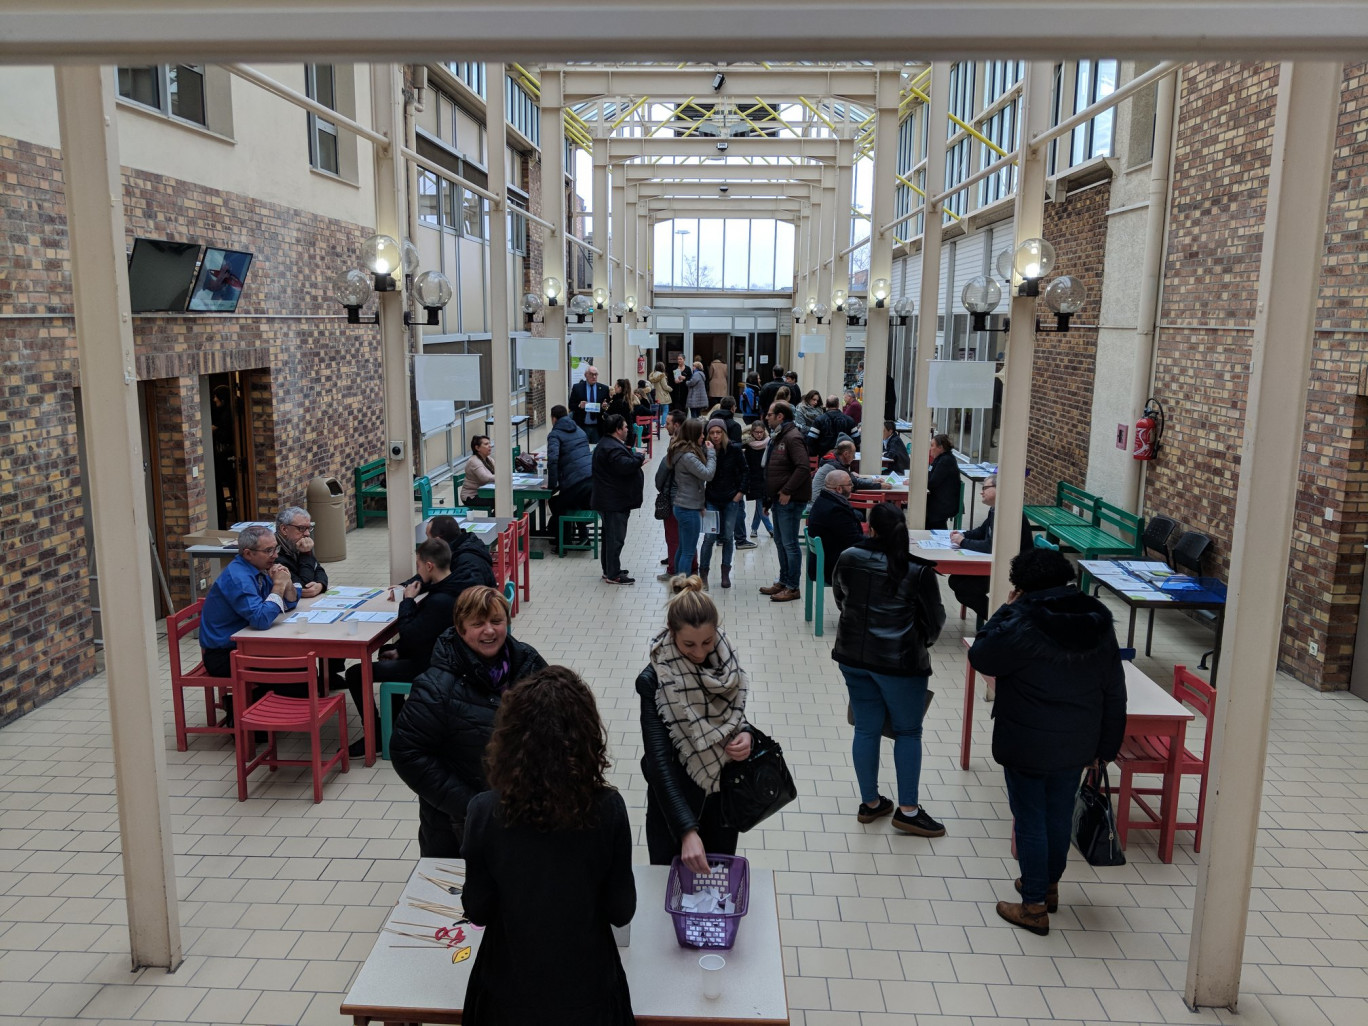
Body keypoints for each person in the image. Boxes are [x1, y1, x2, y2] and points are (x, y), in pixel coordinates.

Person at [461, 665, 636, 1026]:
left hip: (507, 995)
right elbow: (621, 910)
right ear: (587, 739)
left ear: (509, 740)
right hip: (587, 995)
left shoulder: (483, 811)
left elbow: (477, 910)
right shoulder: (607, 809)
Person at [968, 549, 1127, 936]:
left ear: (1021, 586)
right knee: (1057, 815)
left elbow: (982, 657)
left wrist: (1004, 611)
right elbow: (1114, 689)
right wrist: (1106, 748)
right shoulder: (1096, 618)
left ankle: (1034, 905)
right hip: (1078, 741)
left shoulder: (1021, 619)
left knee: (1030, 819)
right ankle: (1049, 887)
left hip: (1026, 738)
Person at [390, 586, 548, 857]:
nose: (489, 631)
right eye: (478, 624)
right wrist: (470, 805)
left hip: (521, 816)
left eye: (497, 622)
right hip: (455, 828)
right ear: (461, 629)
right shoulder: (436, 686)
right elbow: (407, 752)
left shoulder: (528, 664)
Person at [831, 502, 947, 837]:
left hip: (853, 656)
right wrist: (920, 641)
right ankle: (908, 811)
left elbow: (841, 599)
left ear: (870, 528)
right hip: (900, 663)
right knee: (908, 732)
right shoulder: (918, 570)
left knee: (865, 729)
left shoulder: (849, 556)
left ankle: (871, 803)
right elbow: (936, 619)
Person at [637, 577, 753, 872]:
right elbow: (659, 762)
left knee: (715, 890)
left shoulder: (725, 665)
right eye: (689, 644)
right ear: (671, 633)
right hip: (674, 808)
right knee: (669, 888)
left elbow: (733, 717)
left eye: (707, 641)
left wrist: (747, 735)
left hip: (722, 802)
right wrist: (687, 831)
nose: (700, 652)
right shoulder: (656, 680)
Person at [343, 538, 462, 757]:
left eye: (418, 565)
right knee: (386, 651)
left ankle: (375, 733)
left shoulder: (440, 600)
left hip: (430, 666)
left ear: (429, 566)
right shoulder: (452, 586)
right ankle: (395, 721)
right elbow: (423, 635)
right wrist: (400, 649)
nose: (417, 571)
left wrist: (407, 601)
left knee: (354, 673)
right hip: (436, 655)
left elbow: (409, 634)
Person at [198, 524, 298, 680]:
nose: (275, 555)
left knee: (300, 665)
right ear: (248, 553)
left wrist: (287, 581)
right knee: (296, 672)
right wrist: (278, 586)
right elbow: (261, 619)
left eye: (275, 549)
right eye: (268, 551)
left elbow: (288, 603)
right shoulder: (239, 578)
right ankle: (242, 702)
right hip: (224, 655)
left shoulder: (258, 567)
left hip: (248, 643)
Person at [948, 475, 1034, 625]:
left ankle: (1003, 621)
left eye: (985, 488)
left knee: (964, 588)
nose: (982, 492)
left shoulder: (1007, 514)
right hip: (997, 563)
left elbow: (991, 546)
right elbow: (982, 531)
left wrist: (963, 542)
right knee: (956, 580)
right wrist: (962, 535)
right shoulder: (995, 509)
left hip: (1013, 569)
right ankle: (1000, 619)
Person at [759, 401, 810, 602]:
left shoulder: (793, 437)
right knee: (781, 542)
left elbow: (803, 468)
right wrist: (769, 500)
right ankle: (783, 580)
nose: (766, 417)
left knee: (789, 544)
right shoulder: (780, 436)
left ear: (780, 416)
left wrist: (787, 490)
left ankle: (793, 587)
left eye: (770, 414)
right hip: (779, 499)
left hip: (791, 500)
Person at [591, 413, 646, 585]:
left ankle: (609, 569)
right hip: (613, 501)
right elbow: (625, 466)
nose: (628, 429)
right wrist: (639, 457)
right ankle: (613, 574)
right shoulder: (611, 448)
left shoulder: (608, 444)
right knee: (615, 539)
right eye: (625, 427)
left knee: (610, 537)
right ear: (617, 429)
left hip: (610, 499)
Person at [698, 418, 747, 590]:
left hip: (730, 499)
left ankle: (725, 572)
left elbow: (745, 471)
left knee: (727, 536)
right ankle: (703, 573)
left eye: (719, 432)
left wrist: (740, 493)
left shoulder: (733, 450)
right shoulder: (705, 450)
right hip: (711, 498)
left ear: (724, 433)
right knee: (709, 537)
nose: (716, 436)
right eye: (712, 432)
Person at [666, 418, 717, 578]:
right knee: (688, 551)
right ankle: (683, 585)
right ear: (693, 434)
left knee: (682, 548)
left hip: (684, 505)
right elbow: (708, 474)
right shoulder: (688, 457)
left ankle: (677, 580)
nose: (704, 436)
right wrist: (712, 454)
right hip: (688, 508)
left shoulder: (681, 452)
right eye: (701, 433)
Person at [806, 471, 867, 586]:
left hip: (823, 562)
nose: (852, 487)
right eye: (849, 484)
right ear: (839, 489)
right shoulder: (835, 510)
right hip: (833, 567)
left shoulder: (823, 500)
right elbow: (854, 540)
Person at [546, 403, 593, 543]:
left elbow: (553, 460)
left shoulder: (554, 434)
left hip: (576, 482)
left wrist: (552, 485)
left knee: (557, 503)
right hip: (592, 480)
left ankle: (563, 542)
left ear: (553, 419)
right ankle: (583, 536)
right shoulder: (579, 430)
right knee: (570, 503)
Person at [274, 506, 327, 598]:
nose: (307, 534)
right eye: (301, 528)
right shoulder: (273, 553)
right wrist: (306, 554)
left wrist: (320, 585)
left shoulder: (295, 543)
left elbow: (318, 569)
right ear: (284, 529)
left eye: (308, 528)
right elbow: (303, 585)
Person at [812, 439, 891, 497]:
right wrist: (880, 486)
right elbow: (855, 483)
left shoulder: (833, 460)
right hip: (820, 503)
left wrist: (873, 480)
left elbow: (853, 480)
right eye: (853, 454)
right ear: (846, 454)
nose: (853, 457)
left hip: (821, 500)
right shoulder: (836, 466)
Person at [743, 419, 773, 539]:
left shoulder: (769, 443)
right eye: (756, 432)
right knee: (760, 504)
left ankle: (754, 529)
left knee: (760, 505)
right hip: (754, 479)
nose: (759, 434)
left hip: (765, 478)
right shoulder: (746, 446)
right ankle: (770, 529)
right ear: (752, 432)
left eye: (761, 432)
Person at [926, 432, 959, 530]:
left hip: (943, 503)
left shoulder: (945, 461)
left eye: (932, 446)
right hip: (938, 498)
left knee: (923, 513)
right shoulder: (940, 458)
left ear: (940, 448)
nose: (930, 448)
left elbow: (932, 483)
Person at [570, 363, 610, 442]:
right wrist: (579, 406)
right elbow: (571, 405)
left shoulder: (604, 389)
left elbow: (608, 405)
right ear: (586, 375)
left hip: (598, 426)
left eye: (596, 374)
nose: (594, 377)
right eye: (591, 374)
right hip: (582, 426)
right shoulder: (577, 388)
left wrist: (605, 406)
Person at [459, 435, 498, 509]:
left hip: (484, 493)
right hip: (472, 497)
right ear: (477, 448)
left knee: (502, 498)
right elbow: (485, 478)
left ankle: (496, 519)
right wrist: (501, 477)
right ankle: (495, 519)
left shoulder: (488, 459)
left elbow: (498, 471)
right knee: (500, 501)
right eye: (486, 444)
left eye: (489, 443)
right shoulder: (474, 461)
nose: (490, 446)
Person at [648, 361, 672, 427]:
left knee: (658, 411)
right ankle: (663, 423)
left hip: (656, 395)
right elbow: (665, 386)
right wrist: (670, 389)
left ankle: (657, 423)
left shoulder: (653, 375)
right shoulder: (662, 376)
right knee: (665, 410)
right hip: (663, 396)